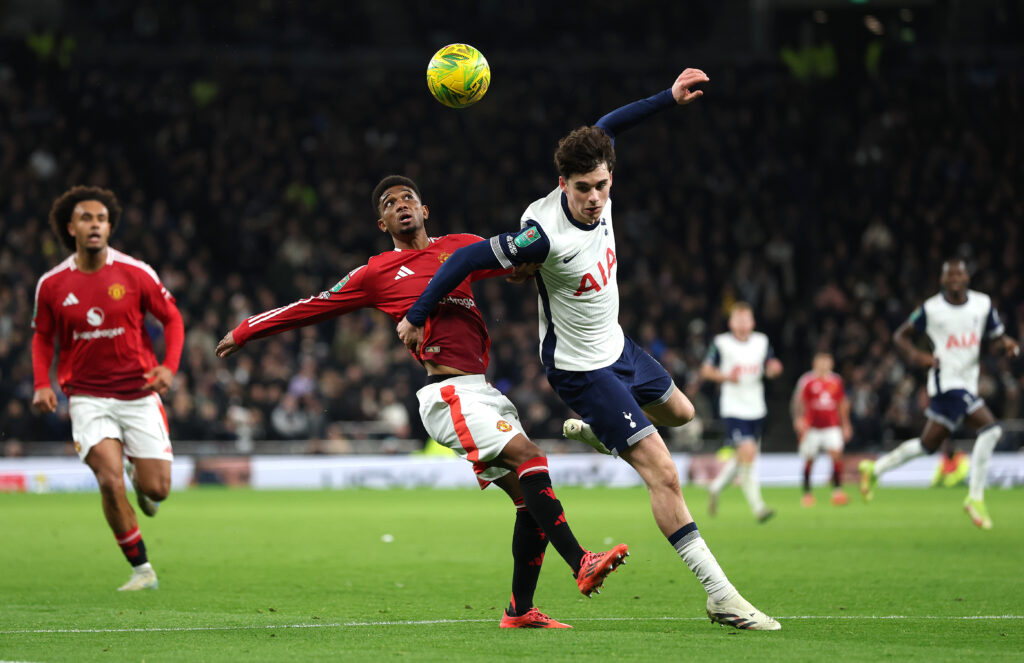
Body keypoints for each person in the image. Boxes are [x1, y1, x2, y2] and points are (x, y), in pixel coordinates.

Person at [398, 70, 781, 630]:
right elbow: (462, 261)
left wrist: (668, 99)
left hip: (619, 345)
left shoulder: (598, 178)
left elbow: (608, 125)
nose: (596, 198)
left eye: (603, 185)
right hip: (581, 368)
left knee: (683, 414)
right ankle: (719, 594)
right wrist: (416, 313)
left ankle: (605, 433)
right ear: (563, 184)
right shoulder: (540, 234)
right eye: (583, 189)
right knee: (665, 474)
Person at [215, 176, 628, 629]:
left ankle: (519, 610)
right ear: (382, 222)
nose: (401, 206)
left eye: (408, 198)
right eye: (391, 204)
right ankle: (581, 562)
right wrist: (247, 329)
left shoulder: (462, 247)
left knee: (529, 501)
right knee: (531, 458)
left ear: (425, 209)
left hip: (483, 392)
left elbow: (518, 260)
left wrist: (527, 265)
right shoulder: (376, 273)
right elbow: (315, 305)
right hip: (446, 394)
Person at [31, 186, 183, 591]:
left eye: (101, 219)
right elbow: (42, 337)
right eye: (86, 218)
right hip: (86, 396)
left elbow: (172, 319)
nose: (95, 224)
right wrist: (41, 383)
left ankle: (140, 474)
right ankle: (142, 570)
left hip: (138, 392)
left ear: (110, 227)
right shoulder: (52, 284)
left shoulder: (135, 272)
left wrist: (168, 367)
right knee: (108, 479)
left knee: (158, 490)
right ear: (71, 227)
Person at [859, 258, 1019, 529]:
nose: (955, 278)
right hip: (946, 383)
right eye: (949, 275)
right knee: (991, 430)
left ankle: (874, 469)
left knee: (927, 445)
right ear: (943, 280)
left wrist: (1007, 344)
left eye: (959, 274)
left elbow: (995, 336)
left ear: (967, 277)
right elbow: (900, 336)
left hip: (967, 382)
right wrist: (917, 355)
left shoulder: (982, 304)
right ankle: (975, 498)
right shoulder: (931, 309)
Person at [700, 303, 782, 522]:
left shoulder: (761, 341)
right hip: (733, 407)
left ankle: (716, 487)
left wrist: (774, 369)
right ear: (731, 323)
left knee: (745, 456)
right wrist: (727, 377)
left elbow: (771, 364)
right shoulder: (722, 343)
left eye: (747, 319)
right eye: (739, 319)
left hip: (756, 407)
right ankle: (758, 508)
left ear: (753, 322)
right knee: (748, 453)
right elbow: (706, 370)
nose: (743, 324)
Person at [791, 351, 852, 507]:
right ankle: (807, 493)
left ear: (831, 364)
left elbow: (842, 403)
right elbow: (798, 401)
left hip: (832, 426)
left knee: (837, 455)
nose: (824, 365)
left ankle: (837, 492)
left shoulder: (836, 380)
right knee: (810, 458)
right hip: (811, 427)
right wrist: (798, 419)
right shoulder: (807, 380)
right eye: (821, 362)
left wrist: (846, 424)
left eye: (827, 362)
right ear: (814, 363)